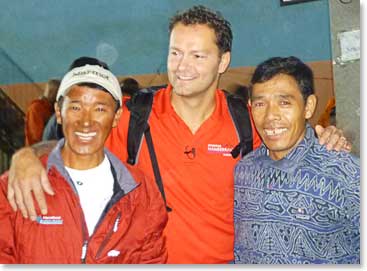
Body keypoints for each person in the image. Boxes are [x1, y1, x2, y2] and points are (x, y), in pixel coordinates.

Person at [7, 6, 350, 264]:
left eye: (198, 55)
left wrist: (326, 138)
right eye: (175, 53)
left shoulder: (248, 122)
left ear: (223, 61)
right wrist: (26, 157)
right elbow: (79, 136)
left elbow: (290, 142)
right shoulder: (133, 115)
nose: (182, 66)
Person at [0, 57, 168, 263]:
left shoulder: (141, 193)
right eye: (76, 108)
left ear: (116, 117)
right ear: (59, 113)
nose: (86, 122)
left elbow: (151, 260)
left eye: (99, 109)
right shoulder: (15, 186)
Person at [233, 56, 360, 264]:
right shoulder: (243, 171)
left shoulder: (345, 174)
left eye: (284, 102)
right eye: (260, 104)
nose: (270, 116)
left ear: (308, 106)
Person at [24, 79, 60, 146]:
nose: (58, 98)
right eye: (57, 94)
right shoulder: (35, 108)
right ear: (51, 92)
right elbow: (37, 136)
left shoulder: (51, 108)